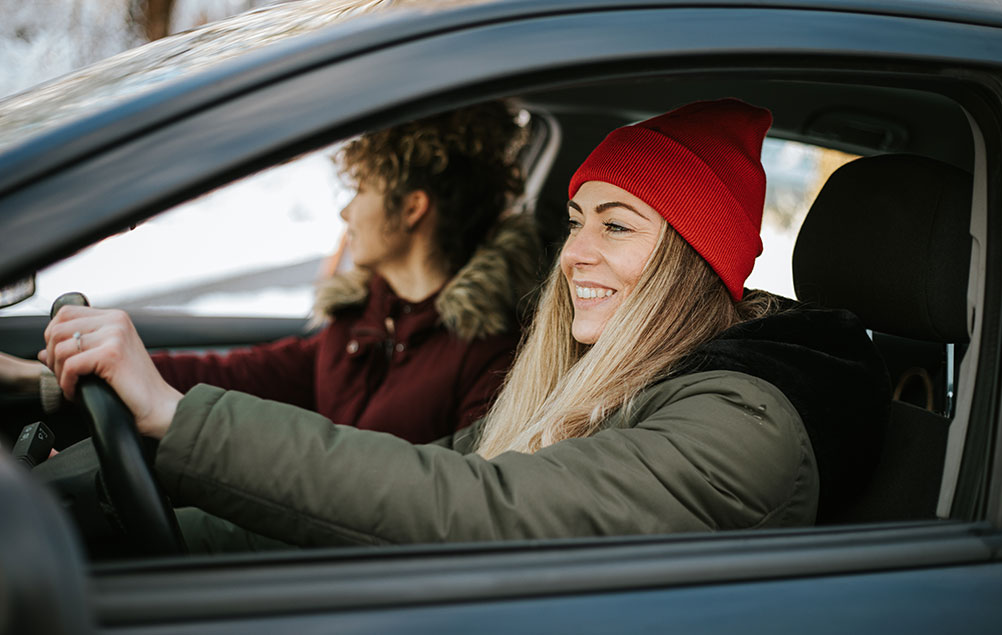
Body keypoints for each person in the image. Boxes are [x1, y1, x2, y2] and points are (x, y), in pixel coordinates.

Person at [38, 99, 890, 549]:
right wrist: (114, 511)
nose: (573, 255)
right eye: (576, 219)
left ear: (688, 262)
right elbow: (433, 468)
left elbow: (479, 508)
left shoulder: (743, 424)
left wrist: (177, 418)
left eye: (617, 225)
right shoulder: (608, 383)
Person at [4, 102, 541, 444]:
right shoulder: (365, 320)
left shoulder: (491, 358)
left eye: (361, 191)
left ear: (413, 208)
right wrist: (46, 377)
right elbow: (239, 374)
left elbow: (448, 501)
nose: (346, 212)